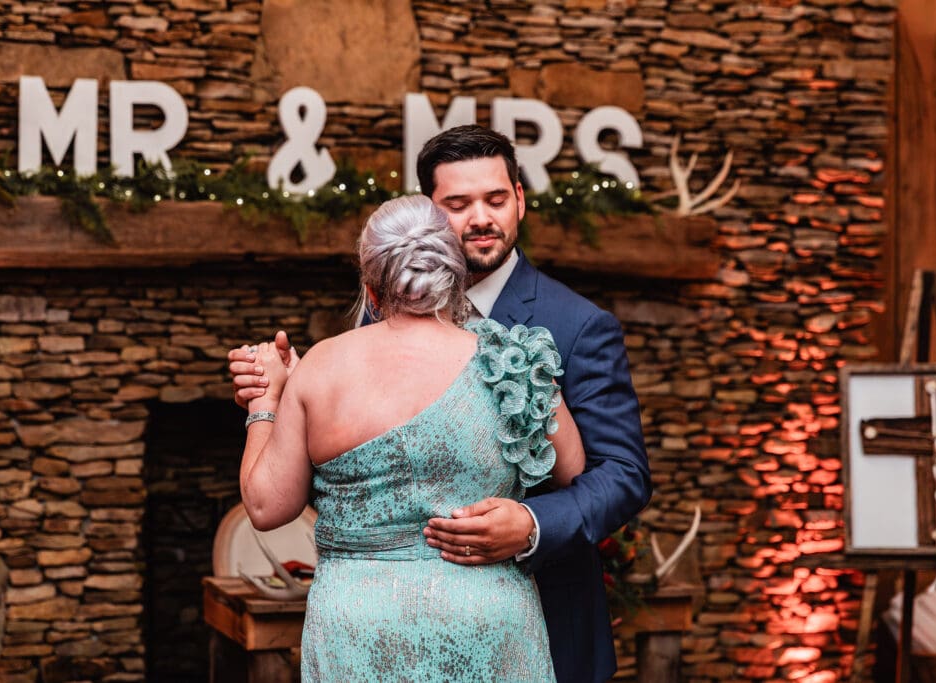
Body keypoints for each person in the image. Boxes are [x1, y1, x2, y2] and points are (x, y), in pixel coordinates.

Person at [230, 125, 651, 682]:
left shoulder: (578, 325)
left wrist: (531, 522)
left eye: (496, 199)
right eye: (458, 203)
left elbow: (622, 475)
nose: (480, 217)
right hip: (438, 623)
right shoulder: (372, 335)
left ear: (520, 199)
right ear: (430, 216)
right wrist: (291, 405)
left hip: (536, 615)